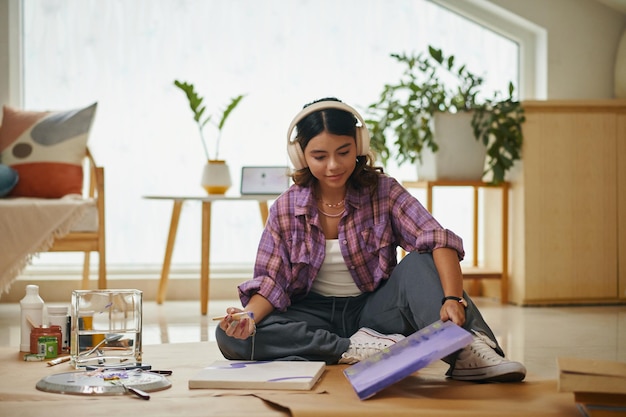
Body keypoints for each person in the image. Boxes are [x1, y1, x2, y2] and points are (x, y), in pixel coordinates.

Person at [215, 97, 526, 382]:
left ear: (359, 145)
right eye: (320, 156)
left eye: (344, 152)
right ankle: (348, 348)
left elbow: (437, 240)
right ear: (300, 155)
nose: (333, 165)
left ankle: (470, 351)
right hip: (312, 315)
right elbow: (271, 283)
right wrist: (247, 318)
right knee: (230, 336)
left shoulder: (385, 191)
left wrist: (451, 299)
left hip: (374, 312)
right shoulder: (285, 208)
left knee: (420, 260)